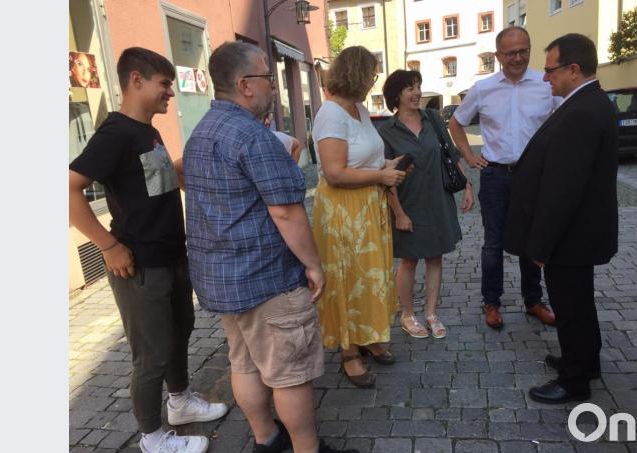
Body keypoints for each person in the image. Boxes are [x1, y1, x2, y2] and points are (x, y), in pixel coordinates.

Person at [183, 41, 355, 453]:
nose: (274, 87)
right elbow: (287, 213)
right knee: (289, 374)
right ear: (245, 85)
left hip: (222, 281)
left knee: (243, 362)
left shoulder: (200, 132)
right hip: (267, 279)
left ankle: (266, 440)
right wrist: (314, 265)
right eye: (267, 77)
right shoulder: (253, 137)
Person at [69, 47, 227, 453]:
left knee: (179, 335)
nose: (169, 94)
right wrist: (108, 246)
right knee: (151, 354)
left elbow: (159, 179)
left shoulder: (149, 132)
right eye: (164, 85)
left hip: (172, 257)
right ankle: (152, 437)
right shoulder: (116, 133)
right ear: (135, 80)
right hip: (139, 265)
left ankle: (180, 404)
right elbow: (69, 189)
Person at [504, 33, 619, 404]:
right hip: (580, 233)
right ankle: (584, 361)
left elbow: (563, 189)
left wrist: (541, 244)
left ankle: (576, 379)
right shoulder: (586, 103)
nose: (545, 77)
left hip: (570, 236)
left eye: (551, 69)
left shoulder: (582, 112)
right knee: (580, 303)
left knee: (570, 308)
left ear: (573, 69)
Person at [448, 26, 559, 331]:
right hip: (496, 176)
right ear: (498, 56)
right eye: (511, 53)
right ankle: (491, 302)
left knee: (531, 241)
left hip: (533, 176)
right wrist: (470, 156)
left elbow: (564, 121)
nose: (518, 57)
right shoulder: (483, 89)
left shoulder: (545, 83)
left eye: (524, 50)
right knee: (493, 243)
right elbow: (455, 123)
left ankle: (533, 300)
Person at [311, 46, 406, 388]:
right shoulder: (331, 114)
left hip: (367, 207)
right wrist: (380, 177)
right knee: (346, 279)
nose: (373, 81)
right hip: (342, 211)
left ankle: (367, 335)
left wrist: (385, 167)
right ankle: (349, 351)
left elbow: (363, 158)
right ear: (357, 73)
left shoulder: (358, 110)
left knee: (369, 275)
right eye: (371, 74)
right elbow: (335, 172)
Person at [376, 69, 474, 339]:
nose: (417, 92)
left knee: (435, 257)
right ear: (396, 94)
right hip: (409, 203)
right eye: (410, 88)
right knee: (409, 260)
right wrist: (399, 214)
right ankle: (407, 315)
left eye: (418, 86)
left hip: (439, 200)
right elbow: (386, 179)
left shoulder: (432, 119)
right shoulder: (386, 131)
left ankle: (431, 313)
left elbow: (452, 156)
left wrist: (467, 186)